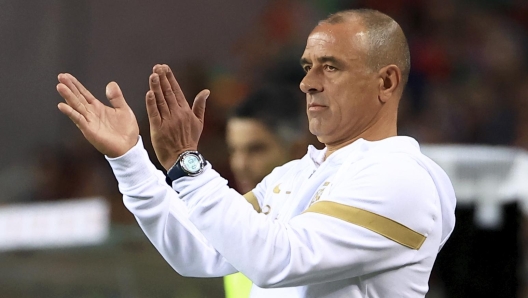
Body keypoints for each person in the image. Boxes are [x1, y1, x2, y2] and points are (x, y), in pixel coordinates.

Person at [56, 9, 456, 298]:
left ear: (386, 81)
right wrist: (130, 159)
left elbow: (277, 260)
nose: (307, 84)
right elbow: (201, 250)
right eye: (307, 66)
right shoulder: (294, 175)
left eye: (330, 67)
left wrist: (188, 165)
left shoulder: (400, 177)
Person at [223, 85, 311, 298]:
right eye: (233, 150)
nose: (239, 165)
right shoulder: (234, 224)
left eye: (256, 149)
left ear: (296, 149)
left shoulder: (318, 226)